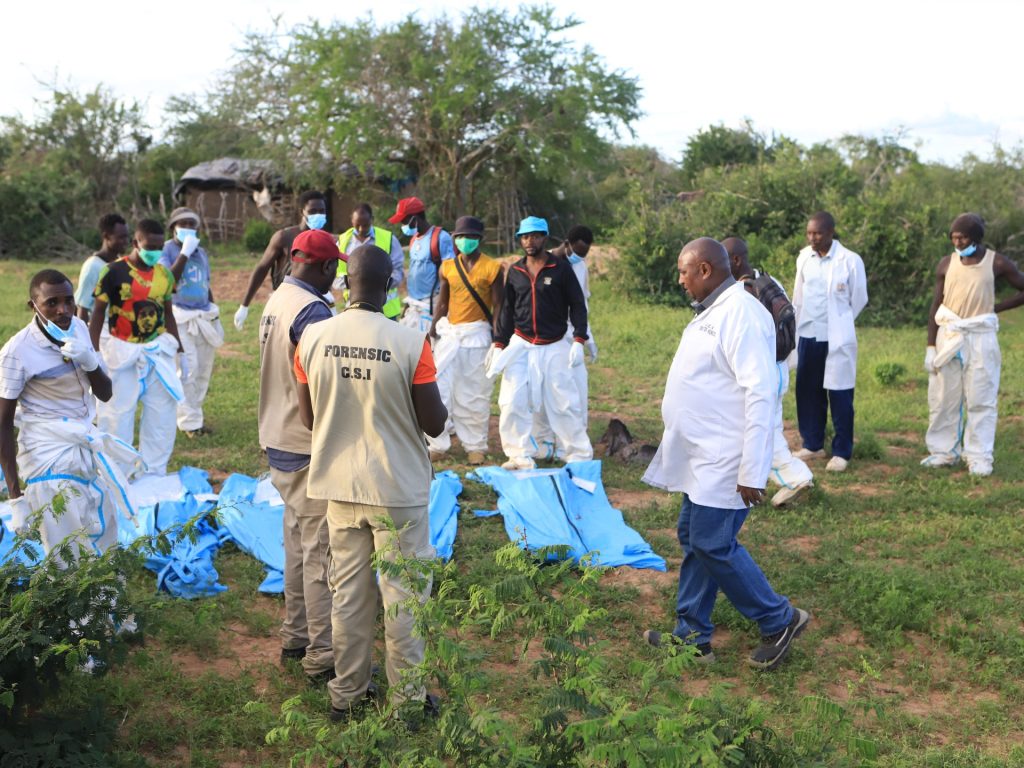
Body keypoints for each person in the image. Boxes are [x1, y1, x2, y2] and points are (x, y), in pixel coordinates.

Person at [293, 243, 447, 722]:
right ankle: (407, 705)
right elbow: (435, 423)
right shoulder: (410, 342)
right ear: (390, 286)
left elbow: (308, 417)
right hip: (396, 489)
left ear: (345, 284)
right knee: (404, 598)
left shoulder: (313, 338)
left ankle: (348, 695)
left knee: (349, 596)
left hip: (339, 485)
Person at [642, 237, 810, 670]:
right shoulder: (713, 309)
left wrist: (753, 469)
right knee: (693, 537)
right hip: (702, 453)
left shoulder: (742, 314)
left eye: (684, 272)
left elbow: (761, 393)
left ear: (704, 270)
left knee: (712, 542)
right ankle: (692, 636)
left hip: (727, 457)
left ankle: (780, 619)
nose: (680, 280)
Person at [1, 270, 140, 556]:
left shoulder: (78, 327)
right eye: (51, 303)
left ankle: (107, 587)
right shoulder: (18, 352)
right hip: (47, 455)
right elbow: (2, 424)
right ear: (33, 305)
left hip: (83, 445)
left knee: (103, 530)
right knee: (66, 550)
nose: (62, 310)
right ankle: (71, 587)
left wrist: (91, 362)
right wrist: (16, 498)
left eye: (68, 301)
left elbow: (105, 394)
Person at [258, 229, 338, 682]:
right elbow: (324, 385)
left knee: (295, 544)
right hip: (306, 443)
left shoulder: (278, 298)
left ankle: (295, 636)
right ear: (326, 267)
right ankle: (322, 656)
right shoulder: (313, 312)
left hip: (277, 437)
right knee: (320, 554)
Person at [922, 213, 1024, 476]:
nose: (957, 242)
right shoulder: (946, 264)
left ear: (976, 238)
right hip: (949, 334)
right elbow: (936, 306)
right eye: (954, 237)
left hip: (980, 336)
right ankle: (944, 452)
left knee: (981, 397)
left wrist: (996, 308)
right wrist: (931, 347)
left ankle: (979, 456)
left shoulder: (996, 262)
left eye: (963, 237)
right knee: (944, 397)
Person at [489, 216, 593, 470]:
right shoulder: (516, 271)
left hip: (554, 344)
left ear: (544, 238)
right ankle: (518, 455)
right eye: (525, 237)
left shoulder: (560, 269)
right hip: (521, 344)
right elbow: (507, 310)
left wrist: (579, 339)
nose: (529, 241)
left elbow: (577, 305)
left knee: (564, 403)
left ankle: (578, 456)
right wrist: (499, 343)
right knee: (512, 401)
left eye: (535, 236)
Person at [90, 219, 184, 476]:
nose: (155, 252)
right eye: (149, 246)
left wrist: (180, 352)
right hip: (121, 352)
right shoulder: (113, 271)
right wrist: (93, 353)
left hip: (157, 353)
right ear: (136, 243)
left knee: (161, 416)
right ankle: (116, 475)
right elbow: (97, 313)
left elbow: (168, 313)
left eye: (159, 247)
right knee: (117, 417)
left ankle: (154, 473)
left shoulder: (164, 275)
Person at [724, 236, 814, 506]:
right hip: (778, 367)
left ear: (736, 260)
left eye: (722, 259)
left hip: (762, 372)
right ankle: (749, 484)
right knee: (764, 427)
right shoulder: (767, 280)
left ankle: (796, 478)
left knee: (762, 432)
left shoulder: (743, 293)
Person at [791, 212, 868, 473]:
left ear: (831, 233)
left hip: (836, 337)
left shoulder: (850, 260)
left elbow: (859, 298)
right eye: (809, 233)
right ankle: (813, 444)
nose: (812, 238)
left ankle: (841, 451)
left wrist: (841, 321)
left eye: (818, 233)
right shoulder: (804, 257)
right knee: (807, 391)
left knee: (840, 394)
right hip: (808, 333)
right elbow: (798, 296)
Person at [426, 215, 503, 465]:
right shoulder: (447, 267)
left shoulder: (493, 268)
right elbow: (443, 303)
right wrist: (432, 332)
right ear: (454, 239)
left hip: (477, 337)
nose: (464, 241)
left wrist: (498, 340)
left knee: (474, 393)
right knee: (438, 389)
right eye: (460, 237)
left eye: (470, 236)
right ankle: (437, 443)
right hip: (450, 336)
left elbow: (499, 306)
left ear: (479, 239)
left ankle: (475, 446)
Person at [532, 225, 599, 459]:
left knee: (575, 392)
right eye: (577, 252)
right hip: (549, 337)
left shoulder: (580, 266)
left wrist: (587, 337)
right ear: (567, 243)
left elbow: (582, 305)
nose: (579, 257)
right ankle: (544, 442)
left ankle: (569, 444)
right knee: (543, 391)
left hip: (573, 337)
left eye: (584, 254)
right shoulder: (544, 263)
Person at [160, 207, 225, 438]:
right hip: (179, 316)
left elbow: (205, 285)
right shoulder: (166, 250)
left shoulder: (202, 252)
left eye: (192, 225)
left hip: (203, 315)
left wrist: (214, 314)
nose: (188, 228)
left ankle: (195, 415)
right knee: (188, 368)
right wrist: (184, 254)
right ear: (173, 227)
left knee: (203, 369)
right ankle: (189, 423)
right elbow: (168, 283)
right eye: (183, 224)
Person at [234, 191, 330, 330]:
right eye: (312, 211)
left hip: (314, 303)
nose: (318, 215)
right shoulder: (284, 237)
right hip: (286, 302)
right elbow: (262, 268)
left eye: (322, 211)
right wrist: (244, 305)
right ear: (302, 212)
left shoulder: (325, 240)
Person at [387, 197, 454, 333]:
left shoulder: (441, 238)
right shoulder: (414, 240)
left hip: (432, 306)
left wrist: (440, 313)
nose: (402, 225)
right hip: (414, 305)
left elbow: (451, 276)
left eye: (404, 221)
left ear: (415, 218)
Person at [337, 203, 404, 320]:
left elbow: (398, 272)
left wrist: (376, 286)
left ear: (372, 219)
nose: (361, 229)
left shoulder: (388, 239)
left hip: (386, 311)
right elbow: (336, 275)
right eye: (357, 225)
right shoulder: (342, 242)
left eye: (365, 225)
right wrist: (358, 286)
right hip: (354, 310)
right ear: (352, 220)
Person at [75, 213, 130, 324]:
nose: (126, 241)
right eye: (121, 237)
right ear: (106, 236)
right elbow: (82, 308)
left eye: (127, 237)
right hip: (102, 328)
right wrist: (84, 334)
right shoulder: (92, 267)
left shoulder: (122, 263)